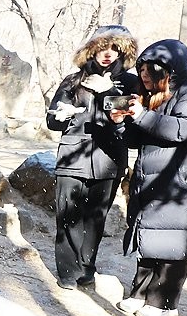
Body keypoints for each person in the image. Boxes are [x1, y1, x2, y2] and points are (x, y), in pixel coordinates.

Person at [109, 38, 187, 316]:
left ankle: (163, 302)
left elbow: (183, 129)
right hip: (152, 180)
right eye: (141, 70)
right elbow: (138, 139)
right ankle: (140, 293)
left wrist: (144, 115)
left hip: (183, 184)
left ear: (169, 70)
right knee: (149, 239)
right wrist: (122, 120)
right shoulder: (156, 99)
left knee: (173, 245)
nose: (143, 76)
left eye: (150, 71)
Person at [45, 25, 140, 289]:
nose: (108, 54)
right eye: (102, 48)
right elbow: (52, 121)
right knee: (68, 216)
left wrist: (109, 90)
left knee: (95, 217)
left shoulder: (130, 83)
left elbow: (129, 121)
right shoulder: (73, 81)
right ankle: (67, 270)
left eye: (114, 48)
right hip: (72, 157)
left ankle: (86, 266)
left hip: (109, 158)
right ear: (92, 50)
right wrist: (59, 116)